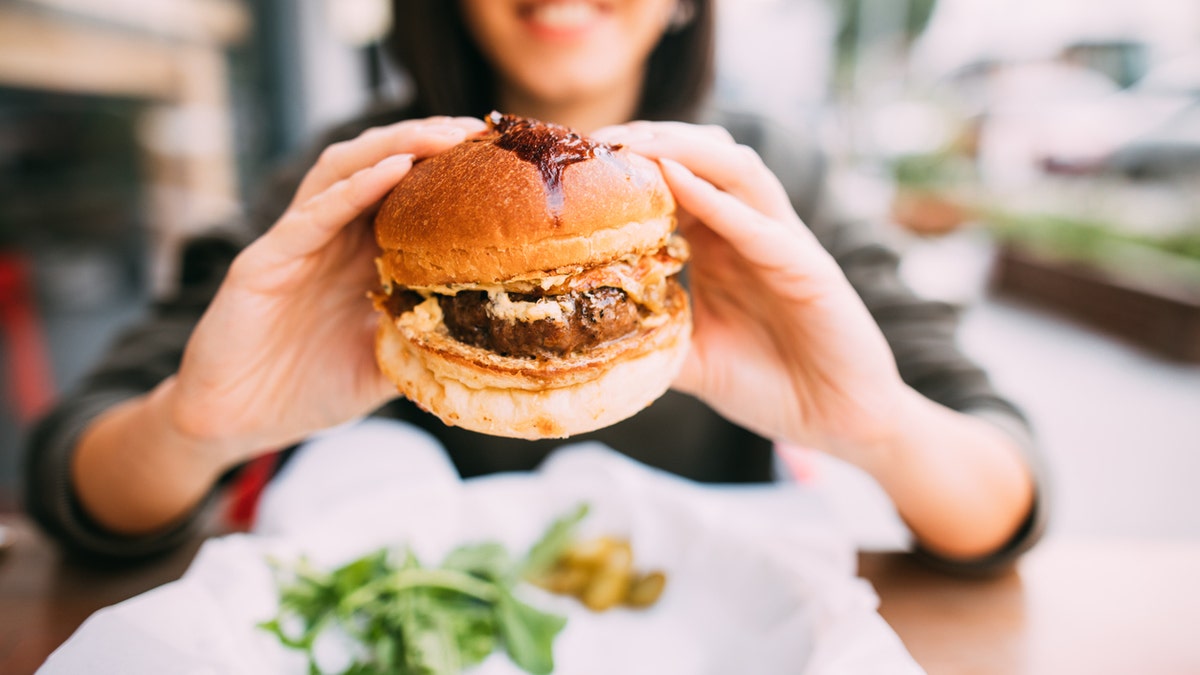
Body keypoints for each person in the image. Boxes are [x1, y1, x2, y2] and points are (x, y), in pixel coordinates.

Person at [25, 0, 1045, 572]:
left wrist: (873, 428)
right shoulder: (347, 181)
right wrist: (198, 432)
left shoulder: (760, 179)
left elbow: (1006, 495)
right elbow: (72, 486)